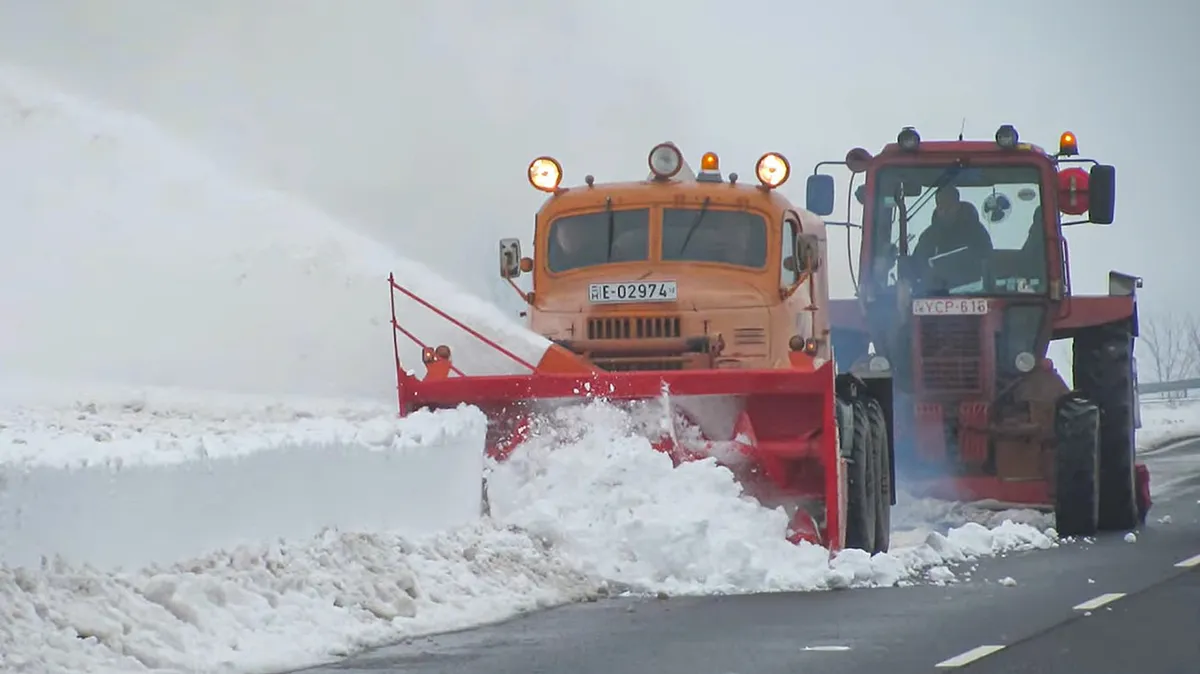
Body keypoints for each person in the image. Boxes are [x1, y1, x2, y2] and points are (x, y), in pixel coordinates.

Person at [910, 186, 994, 288]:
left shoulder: (977, 231)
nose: (945, 211)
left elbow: (988, 259)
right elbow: (916, 266)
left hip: (975, 291)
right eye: (941, 207)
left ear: (957, 206)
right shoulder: (928, 236)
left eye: (949, 206)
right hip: (936, 294)